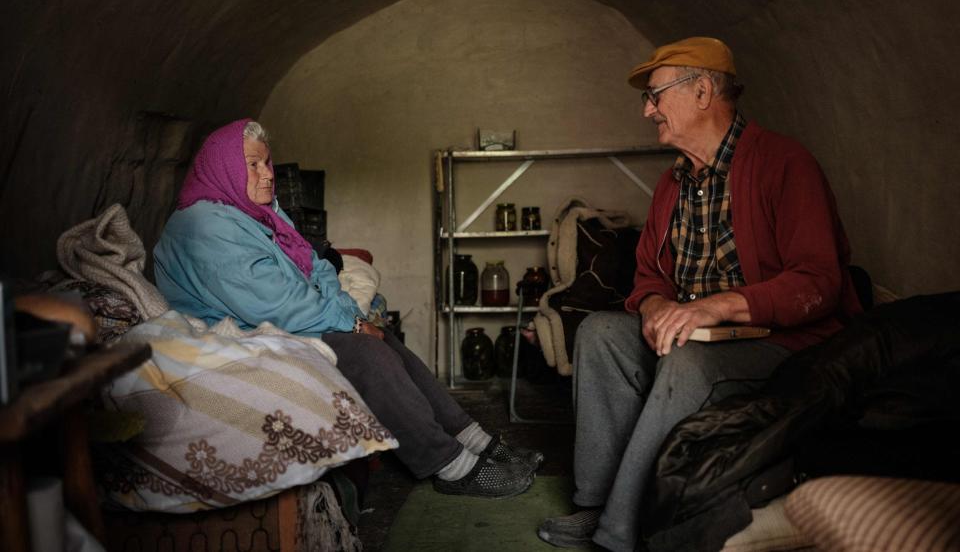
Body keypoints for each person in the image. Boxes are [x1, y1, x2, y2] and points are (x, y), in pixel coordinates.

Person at [537, 37, 862, 550]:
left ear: (703, 91)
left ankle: (618, 533)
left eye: (656, 95)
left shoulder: (784, 163)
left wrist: (713, 307)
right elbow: (648, 275)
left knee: (687, 356)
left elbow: (818, 283)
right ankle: (595, 502)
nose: (648, 110)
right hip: (699, 330)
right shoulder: (673, 183)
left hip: (783, 341)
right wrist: (658, 304)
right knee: (599, 332)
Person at [153, 118, 543, 499]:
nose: (267, 174)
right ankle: (450, 466)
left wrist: (351, 317)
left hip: (277, 322)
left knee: (380, 337)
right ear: (224, 169)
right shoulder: (204, 226)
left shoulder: (258, 216)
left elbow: (319, 266)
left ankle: (475, 440)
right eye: (252, 165)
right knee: (366, 352)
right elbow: (277, 304)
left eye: (266, 162)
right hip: (241, 335)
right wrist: (351, 325)